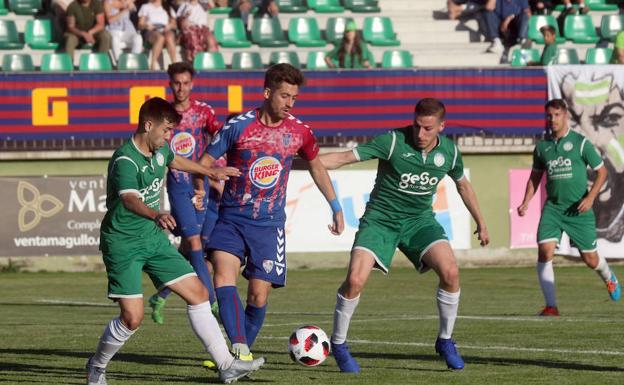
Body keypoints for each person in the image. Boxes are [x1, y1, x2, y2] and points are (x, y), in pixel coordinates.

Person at [85, 97, 264, 385]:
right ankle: (97, 366)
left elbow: (175, 159)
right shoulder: (125, 160)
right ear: (148, 125)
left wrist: (209, 172)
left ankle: (226, 365)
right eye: (166, 130)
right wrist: (155, 213)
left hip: (153, 240)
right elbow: (130, 199)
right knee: (133, 318)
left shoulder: (160, 150)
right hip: (123, 244)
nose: (169, 137)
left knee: (199, 293)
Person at [319, 98, 490, 372]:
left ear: (441, 127)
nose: (420, 134)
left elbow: (463, 185)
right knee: (354, 280)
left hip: (420, 222)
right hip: (380, 221)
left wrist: (481, 222)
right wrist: (302, 161)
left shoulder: (450, 152)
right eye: (416, 126)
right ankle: (338, 345)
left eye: (427, 128)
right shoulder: (393, 141)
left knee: (451, 273)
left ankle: (445, 340)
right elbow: (343, 157)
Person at [195, 63, 345, 361]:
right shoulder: (238, 126)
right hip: (232, 219)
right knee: (223, 277)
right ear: (267, 92)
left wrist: (336, 206)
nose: (289, 103)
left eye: (294, 98)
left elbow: (316, 166)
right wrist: (203, 185)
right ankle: (236, 348)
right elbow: (204, 160)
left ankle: (237, 357)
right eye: (284, 96)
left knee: (258, 295)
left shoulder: (299, 132)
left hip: (269, 225)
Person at [517, 99, 620, 317]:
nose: (552, 119)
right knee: (545, 251)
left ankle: (609, 277)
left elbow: (601, 172)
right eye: (549, 116)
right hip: (553, 209)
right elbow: (535, 177)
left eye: (556, 115)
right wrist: (526, 201)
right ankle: (551, 306)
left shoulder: (580, 143)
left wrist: (591, 197)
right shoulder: (542, 147)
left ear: (565, 116)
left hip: (578, 210)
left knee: (590, 259)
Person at [147, 62, 221, 325]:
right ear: (170, 84)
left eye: (185, 82)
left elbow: (222, 138)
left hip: (202, 185)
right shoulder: (164, 117)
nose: (181, 88)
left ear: (192, 83)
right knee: (196, 245)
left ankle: (161, 295)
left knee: (192, 248)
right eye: (176, 83)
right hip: (178, 184)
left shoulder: (203, 112)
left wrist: (214, 169)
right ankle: (212, 304)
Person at [138, 0, 177, 70]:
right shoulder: (145, 7)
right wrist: (146, 26)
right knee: (160, 38)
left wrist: (170, 26)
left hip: (165, 29)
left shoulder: (168, 7)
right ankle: (153, 64)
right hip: (152, 30)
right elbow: (140, 24)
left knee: (169, 37)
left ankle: (174, 64)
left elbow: (174, 24)